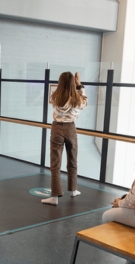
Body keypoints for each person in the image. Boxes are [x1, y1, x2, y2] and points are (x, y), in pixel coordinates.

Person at [41, 71, 87, 205]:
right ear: (73, 83)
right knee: (72, 159)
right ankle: (73, 190)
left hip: (56, 128)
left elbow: (57, 101)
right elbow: (85, 102)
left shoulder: (54, 97)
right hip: (71, 128)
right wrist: (79, 86)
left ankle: (55, 197)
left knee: (55, 163)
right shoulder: (77, 99)